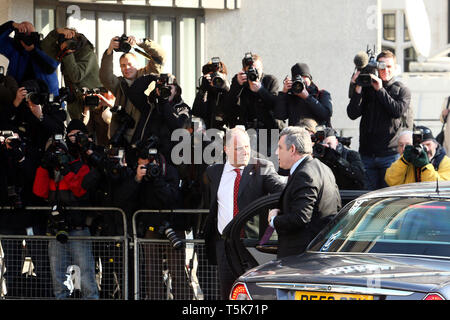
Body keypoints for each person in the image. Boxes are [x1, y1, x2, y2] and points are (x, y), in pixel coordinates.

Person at [203, 127, 285, 299]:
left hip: (252, 245)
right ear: (226, 150)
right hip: (224, 244)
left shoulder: (261, 167)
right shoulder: (214, 172)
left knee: (256, 295)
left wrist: (278, 207)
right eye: (239, 148)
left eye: (247, 147)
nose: (245, 152)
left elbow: (283, 191)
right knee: (228, 293)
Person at [32, 119, 98, 299]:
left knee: (85, 279)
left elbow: (79, 189)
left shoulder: (80, 165)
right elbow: (39, 191)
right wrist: (44, 165)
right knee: (59, 281)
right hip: (55, 230)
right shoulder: (49, 169)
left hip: (78, 230)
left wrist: (65, 167)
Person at [268, 126, 341, 259]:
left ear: (292, 149)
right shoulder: (324, 169)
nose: (276, 152)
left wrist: (273, 220)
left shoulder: (304, 174)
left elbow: (300, 218)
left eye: (280, 147)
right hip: (317, 253)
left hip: (300, 258)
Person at [347, 50, 412, 190]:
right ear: (377, 67)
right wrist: (357, 86)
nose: (385, 70)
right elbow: (352, 113)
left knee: (389, 199)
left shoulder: (402, 90)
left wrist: (380, 90)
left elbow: (397, 111)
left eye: (389, 66)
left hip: (390, 155)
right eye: (382, 66)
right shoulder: (367, 88)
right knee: (368, 200)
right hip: (366, 154)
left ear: (395, 68)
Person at [99, 35, 166, 147]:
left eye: (130, 64)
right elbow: (105, 76)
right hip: (122, 137)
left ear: (138, 64)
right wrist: (110, 50)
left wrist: (140, 42)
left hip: (145, 133)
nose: (126, 68)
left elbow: (160, 56)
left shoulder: (148, 73)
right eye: (123, 66)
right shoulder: (119, 84)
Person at [223, 53, 282, 157]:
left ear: (262, 68)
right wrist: (237, 85)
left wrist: (261, 90)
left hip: (268, 131)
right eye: (250, 70)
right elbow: (228, 105)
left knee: (267, 164)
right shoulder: (240, 81)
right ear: (244, 70)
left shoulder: (270, 81)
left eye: (257, 69)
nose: (254, 73)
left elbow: (275, 105)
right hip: (246, 132)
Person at [0, 20, 59, 97]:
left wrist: (33, 50)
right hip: (19, 96)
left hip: (46, 97)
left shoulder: (44, 48)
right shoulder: (15, 49)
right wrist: (12, 25)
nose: (26, 37)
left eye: (30, 34)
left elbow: (50, 67)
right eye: (23, 34)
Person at [385, 126, 450, 186]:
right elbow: (391, 181)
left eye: (428, 144)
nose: (426, 149)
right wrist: (403, 161)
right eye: (421, 146)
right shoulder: (407, 159)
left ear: (436, 145)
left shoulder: (446, 162)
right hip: (409, 197)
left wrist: (425, 166)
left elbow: (440, 187)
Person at [275, 63, 332, 127]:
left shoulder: (322, 94)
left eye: (304, 77)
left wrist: (307, 97)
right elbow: (280, 116)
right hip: (297, 134)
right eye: (298, 78)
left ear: (310, 79)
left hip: (317, 134)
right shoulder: (291, 96)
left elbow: (326, 115)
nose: (301, 80)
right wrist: (283, 93)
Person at [192, 58, 230, 130]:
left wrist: (226, 88)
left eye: (218, 76)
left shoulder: (228, 91)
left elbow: (233, 110)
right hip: (206, 134)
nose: (215, 79)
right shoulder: (206, 92)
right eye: (212, 75)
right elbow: (196, 112)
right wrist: (202, 90)